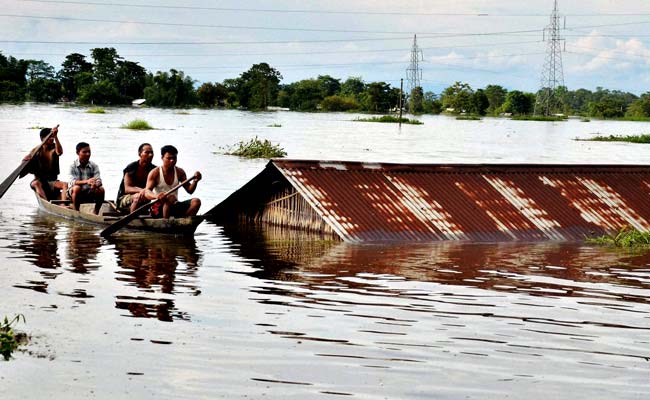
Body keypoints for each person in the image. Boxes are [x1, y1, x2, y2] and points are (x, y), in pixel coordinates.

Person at [144, 145, 202, 218]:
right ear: (162, 158)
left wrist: (195, 181)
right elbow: (147, 192)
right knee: (170, 198)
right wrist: (157, 196)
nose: (172, 161)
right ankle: (166, 222)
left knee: (196, 202)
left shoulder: (180, 172)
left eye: (174, 158)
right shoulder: (155, 173)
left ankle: (184, 222)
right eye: (169, 158)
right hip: (157, 208)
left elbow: (190, 190)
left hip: (173, 205)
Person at [25, 126, 68, 200]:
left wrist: (56, 136)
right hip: (39, 181)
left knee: (65, 184)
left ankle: (63, 204)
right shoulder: (36, 151)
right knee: (36, 183)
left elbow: (59, 152)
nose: (52, 139)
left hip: (52, 180)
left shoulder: (54, 147)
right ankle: (45, 202)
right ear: (42, 138)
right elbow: (28, 168)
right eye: (49, 137)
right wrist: (25, 160)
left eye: (52, 137)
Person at [116, 143, 156, 214]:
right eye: (147, 152)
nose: (150, 155)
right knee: (137, 197)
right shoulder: (131, 167)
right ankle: (132, 220)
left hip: (144, 198)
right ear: (140, 154)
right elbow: (127, 188)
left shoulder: (154, 169)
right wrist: (143, 190)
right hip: (124, 199)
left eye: (151, 153)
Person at [68, 142, 105, 214]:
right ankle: (76, 211)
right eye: (84, 152)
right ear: (78, 153)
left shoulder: (94, 165)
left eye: (89, 152)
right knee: (76, 188)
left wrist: (95, 184)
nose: (88, 154)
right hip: (74, 192)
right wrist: (87, 181)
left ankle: (96, 212)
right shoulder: (72, 166)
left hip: (90, 190)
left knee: (101, 190)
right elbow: (72, 181)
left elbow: (99, 180)